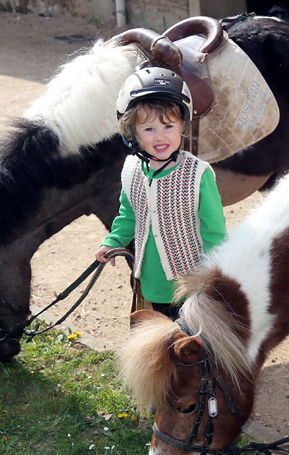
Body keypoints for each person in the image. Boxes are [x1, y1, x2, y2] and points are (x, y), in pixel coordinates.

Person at [96, 67, 227, 321]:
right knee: (162, 340)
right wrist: (113, 241)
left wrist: (215, 277)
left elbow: (215, 231)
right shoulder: (132, 168)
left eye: (168, 126)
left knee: (194, 346)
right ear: (131, 131)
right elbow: (128, 214)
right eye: (148, 129)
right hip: (152, 281)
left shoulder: (198, 174)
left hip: (192, 282)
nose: (160, 136)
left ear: (182, 126)